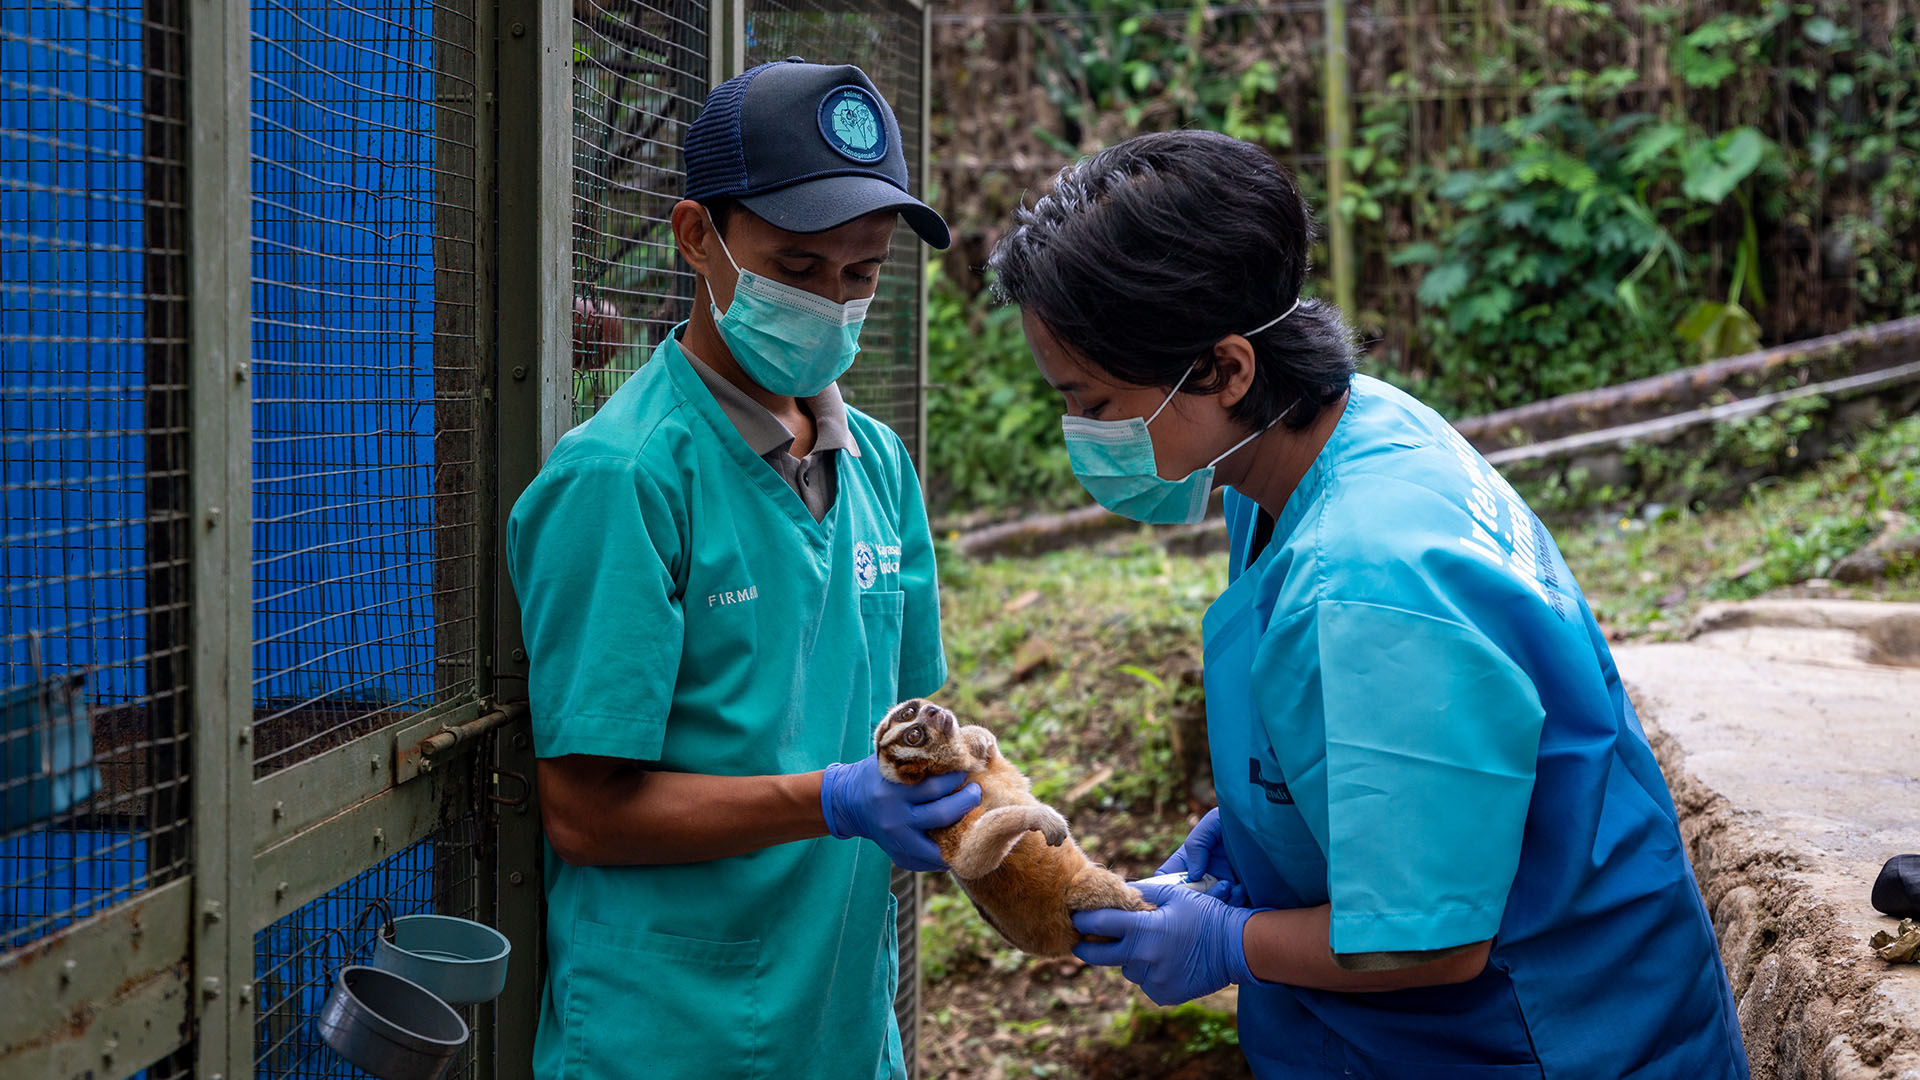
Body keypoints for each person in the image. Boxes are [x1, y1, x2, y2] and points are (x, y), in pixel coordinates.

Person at [989, 130, 1749, 1078]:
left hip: (1534, 1036)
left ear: (1227, 369)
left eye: (1096, 405)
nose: (1081, 436)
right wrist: (1261, 827)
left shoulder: (1369, 580)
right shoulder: (1318, 440)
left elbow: (1432, 942)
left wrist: (1226, 942)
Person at [507, 60, 979, 1080]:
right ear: (696, 238)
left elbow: (909, 727)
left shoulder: (879, 466)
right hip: (672, 1035)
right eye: (797, 268)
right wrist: (834, 800)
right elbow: (584, 813)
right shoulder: (623, 478)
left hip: (844, 1027)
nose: (833, 302)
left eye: (862, 273)